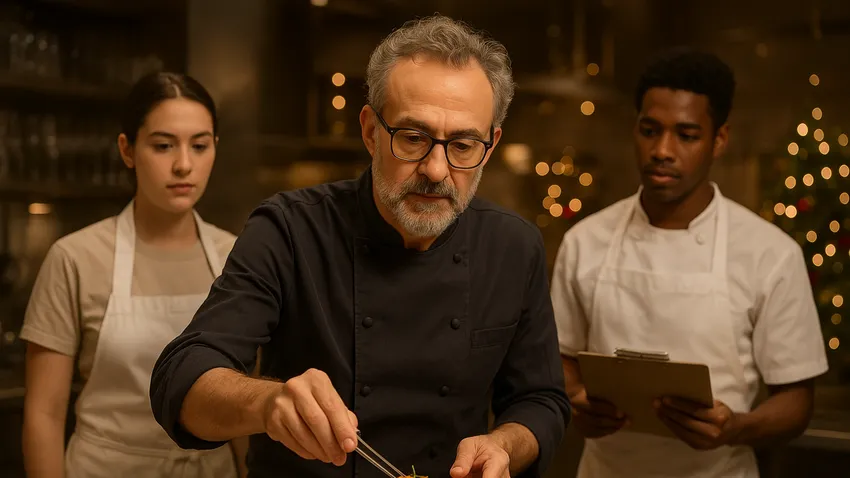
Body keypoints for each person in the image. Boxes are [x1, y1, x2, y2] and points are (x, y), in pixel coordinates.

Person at [149, 14, 570, 478]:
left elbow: (540, 400)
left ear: (489, 148)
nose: (435, 169)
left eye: (464, 145)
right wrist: (268, 402)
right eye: (412, 137)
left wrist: (505, 445)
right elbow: (183, 376)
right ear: (371, 131)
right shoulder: (290, 229)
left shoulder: (514, 246)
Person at [551, 47, 829, 477]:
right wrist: (576, 403)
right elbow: (562, 358)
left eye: (686, 134)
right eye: (650, 130)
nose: (662, 150)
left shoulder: (769, 253)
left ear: (719, 139)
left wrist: (736, 427)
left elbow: (796, 399)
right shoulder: (584, 241)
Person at [20, 72, 245, 478]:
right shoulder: (75, 258)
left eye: (200, 145)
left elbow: (245, 408)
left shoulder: (237, 257)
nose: (184, 164)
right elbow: (44, 414)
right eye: (163, 146)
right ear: (127, 150)